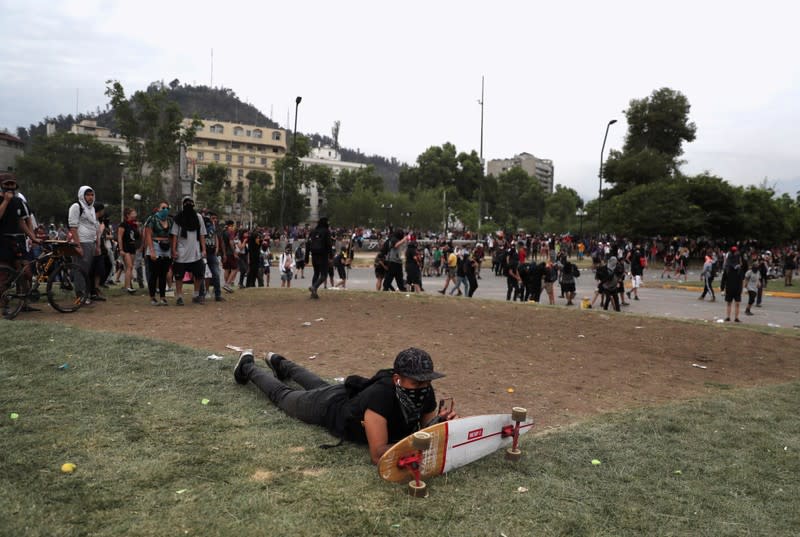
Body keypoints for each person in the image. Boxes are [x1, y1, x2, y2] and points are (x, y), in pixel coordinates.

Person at [233, 347, 457, 464]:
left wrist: (440, 425)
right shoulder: (381, 398)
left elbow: (426, 432)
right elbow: (378, 455)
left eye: (427, 381)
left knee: (317, 384)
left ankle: (279, 362)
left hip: (347, 396)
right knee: (283, 396)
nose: (423, 387)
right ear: (398, 379)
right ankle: (246, 367)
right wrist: (418, 442)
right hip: (329, 407)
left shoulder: (425, 391)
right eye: (416, 382)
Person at [0, 174, 40, 315]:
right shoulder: (3, 200)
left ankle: (24, 302)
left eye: (12, 184)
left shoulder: (18, 201)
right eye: (7, 184)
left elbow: (22, 222)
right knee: (4, 275)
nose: (10, 187)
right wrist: (5, 201)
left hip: (17, 241)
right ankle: (4, 305)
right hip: (2, 240)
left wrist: (32, 237)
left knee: (25, 272)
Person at [170, 195, 207, 306]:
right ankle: (179, 296)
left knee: (199, 275)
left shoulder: (198, 217)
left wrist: (203, 249)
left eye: (191, 202)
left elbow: (202, 234)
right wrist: (174, 250)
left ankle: (196, 295)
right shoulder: (178, 218)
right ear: (183, 204)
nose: (189, 205)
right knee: (179, 276)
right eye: (186, 203)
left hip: (195, 251)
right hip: (181, 252)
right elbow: (175, 235)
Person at [68, 186, 100, 304]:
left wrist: (97, 245)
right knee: (79, 269)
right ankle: (80, 295)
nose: (90, 197)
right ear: (82, 195)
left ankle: (85, 293)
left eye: (92, 195)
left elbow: (94, 226)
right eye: (87, 195)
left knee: (86, 270)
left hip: (90, 241)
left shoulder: (91, 209)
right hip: (81, 241)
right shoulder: (77, 206)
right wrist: (77, 245)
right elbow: (73, 227)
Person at [143, 201, 173, 305]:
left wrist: (173, 249)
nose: (165, 210)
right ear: (158, 208)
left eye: (167, 208)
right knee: (154, 273)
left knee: (163, 273)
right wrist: (151, 250)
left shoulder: (170, 220)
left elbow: (172, 236)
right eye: (163, 207)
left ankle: (163, 297)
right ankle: (152, 297)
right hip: (155, 245)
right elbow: (148, 235)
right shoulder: (152, 219)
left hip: (166, 247)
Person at [307, 217, 333, 299]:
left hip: (314, 255)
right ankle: (314, 287)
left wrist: (306, 257)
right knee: (324, 275)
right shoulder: (326, 231)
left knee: (316, 273)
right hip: (323, 255)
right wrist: (331, 256)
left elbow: (308, 244)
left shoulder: (313, 231)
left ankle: (313, 294)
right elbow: (329, 244)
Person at [117, 207, 140, 294]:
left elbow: (137, 236)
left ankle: (129, 285)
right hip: (125, 247)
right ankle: (127, 287)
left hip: (132, 247)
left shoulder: (133, 225)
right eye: (133, 213)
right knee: (129, 266)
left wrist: (138, 227)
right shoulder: (123, 224)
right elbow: (119, 237)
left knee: (129, 268)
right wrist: (121, 249)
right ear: (128, 215)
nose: (135, 214)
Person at [720, 246, 743, 322]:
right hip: (733, 288)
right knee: (734, 303)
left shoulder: (730, 268)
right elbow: (724, 279)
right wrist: (722, 289)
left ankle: (732, 317)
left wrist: (722, 289)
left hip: (732, 288)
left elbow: (724, 279)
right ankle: (732, 317)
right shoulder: (731, 268)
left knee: (732, 303)